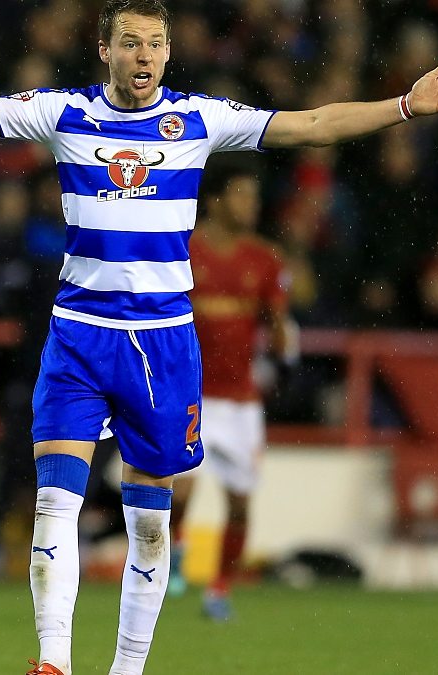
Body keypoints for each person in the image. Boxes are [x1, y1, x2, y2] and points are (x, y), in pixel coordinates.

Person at [0, 1, 438, 671]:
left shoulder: (200, 120)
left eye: (154, 43)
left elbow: (313, 124)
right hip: (80, 336)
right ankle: (53, 660)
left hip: (162, 344)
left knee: (149, 522)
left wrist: (403, 105)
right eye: (129, 43)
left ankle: (127, 668)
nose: (142, 55)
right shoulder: (64, 112)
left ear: (168, 53)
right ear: (105, 50)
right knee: (55, 500)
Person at [165, 164, 295, 622]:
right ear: (216, 201)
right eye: (241, 195)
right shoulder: (184, 248)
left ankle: (219, 589)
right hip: (190, 393)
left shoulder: (266, 258)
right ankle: (176, 546)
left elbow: (278, 325)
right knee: (178, 491)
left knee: (240, 503)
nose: (250, 206)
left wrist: (283, 343)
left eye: (253, 198)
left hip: (240, 401)